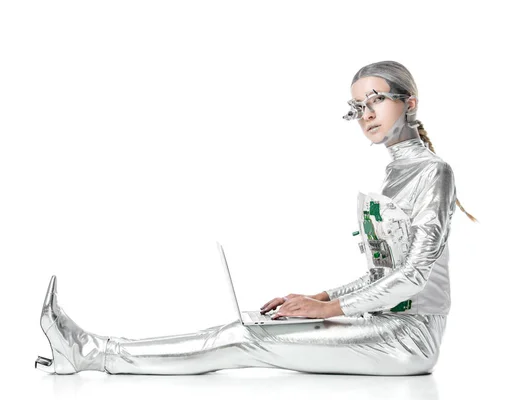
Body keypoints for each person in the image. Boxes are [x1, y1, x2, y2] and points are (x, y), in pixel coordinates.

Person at [35, 60, 477, 376]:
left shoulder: (433, 173)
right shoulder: (397, 173)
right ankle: (97, 350)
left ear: (410, 102)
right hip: (381, 322)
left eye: (376, 100)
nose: (366, 115)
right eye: (358, 105)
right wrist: (316, 296)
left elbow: (414, 278)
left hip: (409, 338)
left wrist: (327, 308)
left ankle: (92, 353)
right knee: (241, 326)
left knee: (246, 341)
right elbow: (383, 275)